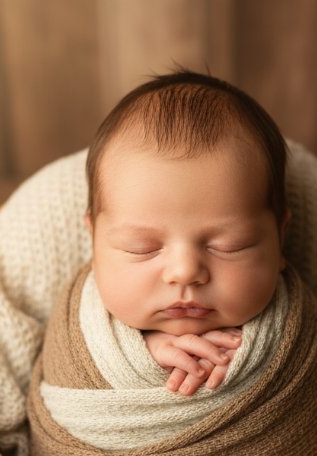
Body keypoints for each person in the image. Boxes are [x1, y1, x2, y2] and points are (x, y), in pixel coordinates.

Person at [83, 69, 292, 396]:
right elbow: (61, 371)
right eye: (141, 248)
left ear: (281, 238)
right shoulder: (82, 323)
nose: (185, 272)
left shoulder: (295, 330)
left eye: (229, 245)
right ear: (93, 242)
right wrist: (139, 357)